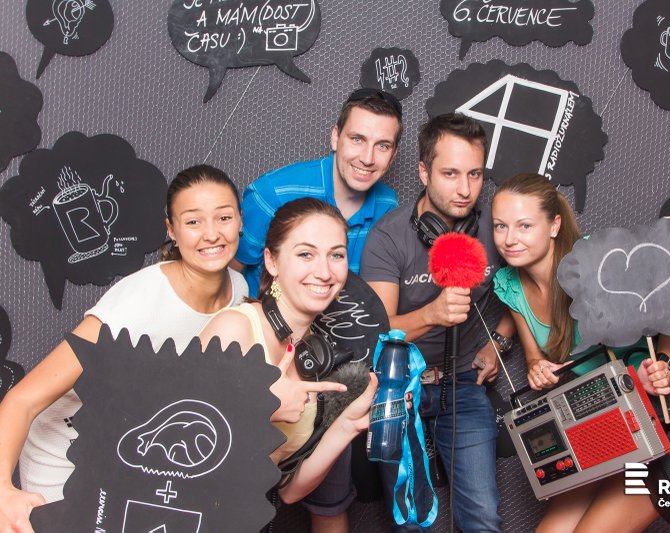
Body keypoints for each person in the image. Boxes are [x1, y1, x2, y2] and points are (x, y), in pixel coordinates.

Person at [0, 165, 252, 532]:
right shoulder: (139, 303)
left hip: (128, 449)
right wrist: (2, 491)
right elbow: (22, 400)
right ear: (172, 230)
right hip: (65, 450)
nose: (211, 233)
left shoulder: (239, 290)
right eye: (193, 221)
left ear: (240, 221)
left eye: (224, 217)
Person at [491, 173, 670, 532]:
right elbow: (535, 356)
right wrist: (537, 369)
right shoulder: (511, 285)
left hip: (653, 418)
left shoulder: (597, 262)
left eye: (524, 226)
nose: (509, 239)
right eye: (500, 226)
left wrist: (663, 365)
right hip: (598, 419)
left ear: (554, 225)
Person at [360, 113, 515, 532]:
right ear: (424, 172)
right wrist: (432, 315)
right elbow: (378, 333)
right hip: (398, 385)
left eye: (475, 174)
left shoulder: (495, 229)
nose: (465, 190)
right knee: (410, 520)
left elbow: (530, 286)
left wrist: (498, 342)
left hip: (462, 383)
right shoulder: (389, 237)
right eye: (450, 174)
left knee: (483, 517)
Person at [199, 197, 377, 531]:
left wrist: (348, 425)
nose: (324, 272)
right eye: (306, 254)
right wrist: (260, 406)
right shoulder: (235, 328)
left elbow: (290, 491)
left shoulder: (317, 358)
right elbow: (178, 432)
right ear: (271, 261)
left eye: (336, 255)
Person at [233, 88, 403, 297]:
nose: (367, 158)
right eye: (357, 139)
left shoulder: (388, 205)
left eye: (383, 146)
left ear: (393, 155)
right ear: (335, 137)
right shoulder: (272, 193)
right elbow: (229, 275)